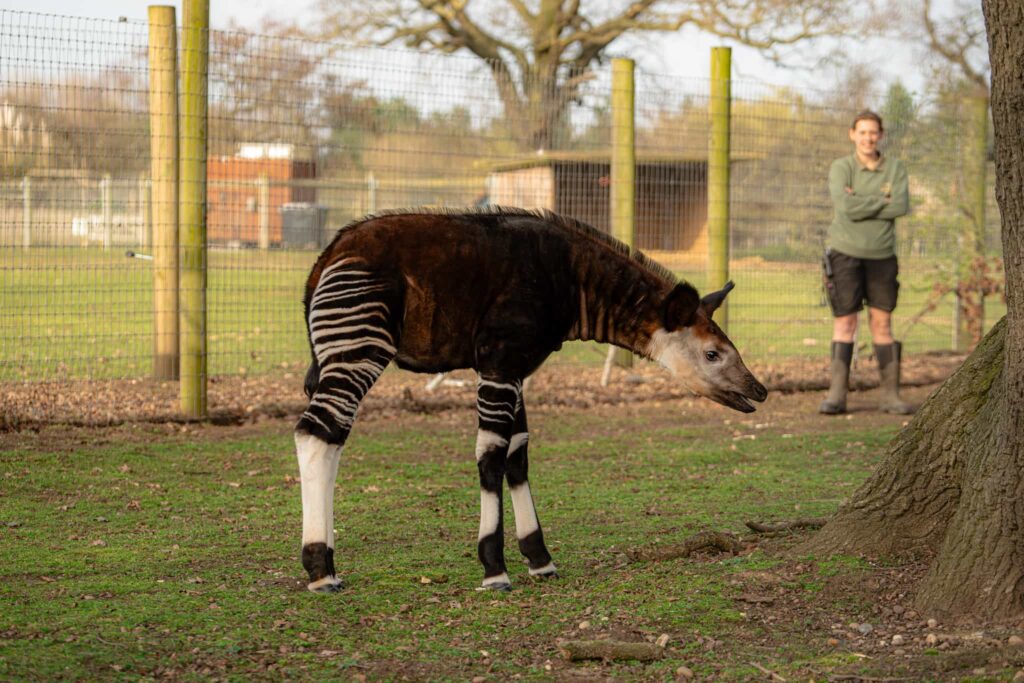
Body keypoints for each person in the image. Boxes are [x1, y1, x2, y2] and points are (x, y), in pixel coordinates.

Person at [820, 109, 913, 415]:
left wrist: (861, 201)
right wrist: (880, 202)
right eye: (862, 132)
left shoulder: (895, 168)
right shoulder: (841, 167)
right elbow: (845, 208)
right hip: (844, 253)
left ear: (881, 135)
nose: (868, 138)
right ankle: (837, 396)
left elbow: (900, 205)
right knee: (845, 322)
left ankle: (890, 396)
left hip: (882, 255)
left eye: (873, 132)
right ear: (852, 134)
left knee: (882, 323)